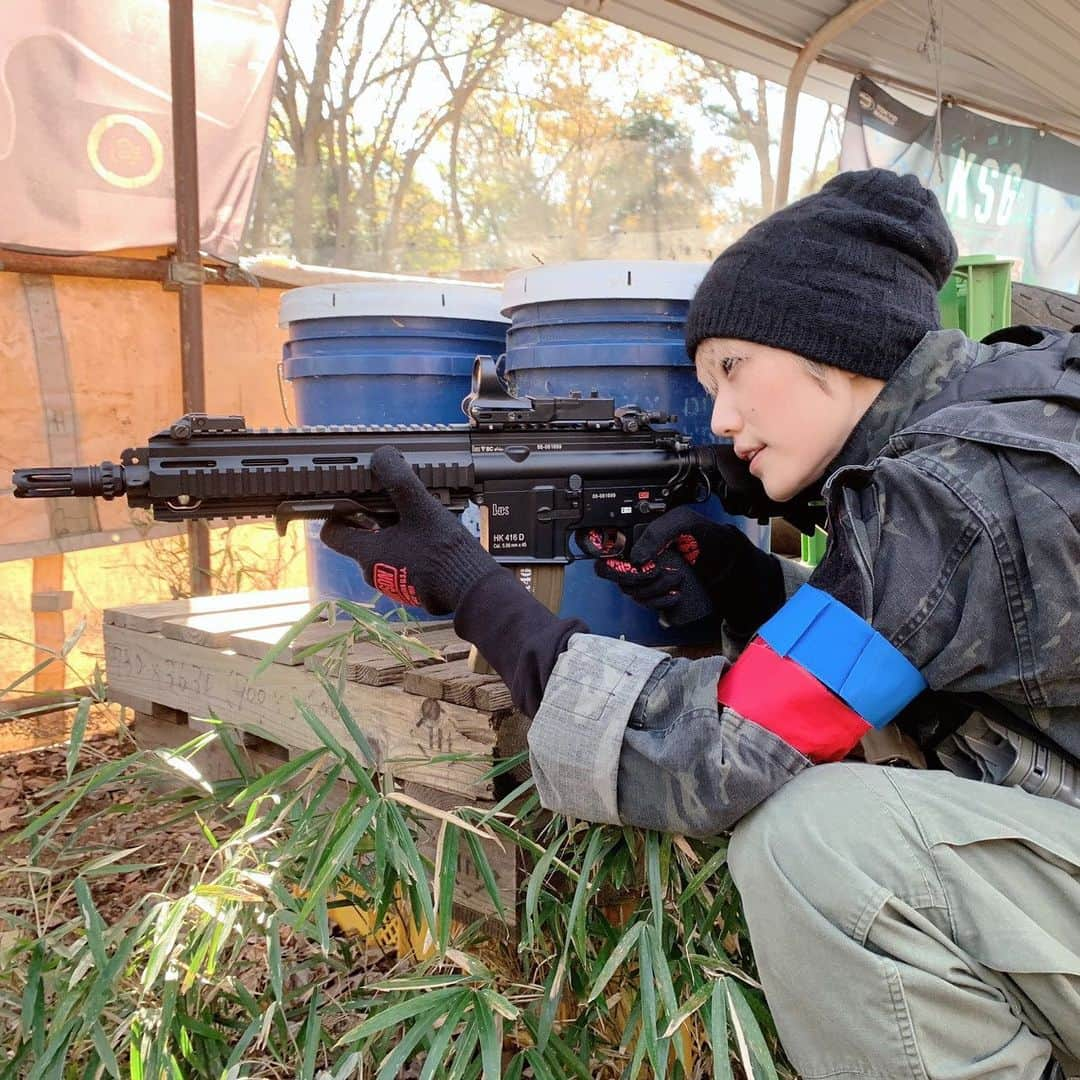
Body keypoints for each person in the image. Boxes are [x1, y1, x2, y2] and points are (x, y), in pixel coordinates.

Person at [321, 168, 1080, 1079]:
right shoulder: (990, 429)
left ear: (834, 345)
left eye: (731, 369)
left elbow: (714, 756)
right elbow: (911, 647)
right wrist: (740, 581)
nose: (720, 419)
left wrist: (476, 592)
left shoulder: (961, 490)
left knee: (823, 842)